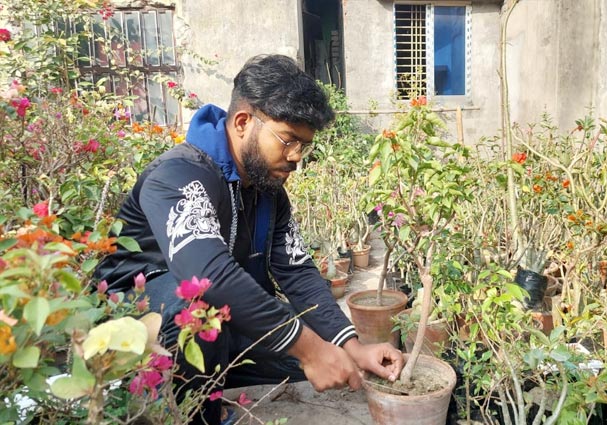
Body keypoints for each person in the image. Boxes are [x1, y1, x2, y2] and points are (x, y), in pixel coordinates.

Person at [94, 54, 404, 424]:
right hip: (132, 321)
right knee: (203, 314)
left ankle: (207, 392)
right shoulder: (177, 175)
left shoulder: (267, 190)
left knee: (318, 347)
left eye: (303, 146)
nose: (295, 158)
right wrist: (308, 349)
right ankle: (190, 413)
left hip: (217, 315)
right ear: (243, 122)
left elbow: (298, 271)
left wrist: (349, 346)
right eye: (288, 140)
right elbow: (208, 276)